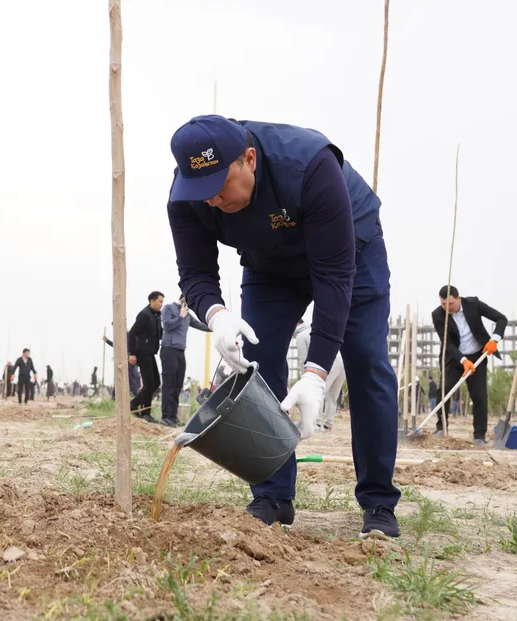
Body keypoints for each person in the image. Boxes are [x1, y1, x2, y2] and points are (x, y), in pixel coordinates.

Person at [167, 115, 400, 538]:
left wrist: (316, 372)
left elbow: (333, 277)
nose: (213, 201)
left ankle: (379, 501)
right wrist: (217, 315)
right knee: (257, 360)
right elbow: (195, 271)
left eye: (220, 187)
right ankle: (273, 496)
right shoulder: (187, 197)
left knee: (366, 361)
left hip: (351, 253)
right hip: (270, 264)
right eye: (202, 193)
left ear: (250, 159)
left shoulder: (309, 166)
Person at [431, 286, 507, 446]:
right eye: (443, 304)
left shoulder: (474, 304)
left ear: (458, 299)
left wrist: (494, 339)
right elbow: (448, 344)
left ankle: (479, 436)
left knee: (479, 396)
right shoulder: (438, 315)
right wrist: (463, 361)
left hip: (478, 355)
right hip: (454, 358)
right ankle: (441, 428)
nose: (446, 308)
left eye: (450, 304)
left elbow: (501, 319)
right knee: (444, 390)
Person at [160, 294, 209, 426]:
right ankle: (166, 416)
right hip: (169, 349)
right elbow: (167, 325)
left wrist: (216, 326)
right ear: (182, 297)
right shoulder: (168, 308)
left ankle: (173, 416)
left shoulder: (187, 313)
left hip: (181, 351)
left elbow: (200, 325)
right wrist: (180, 316)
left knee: (177, 385)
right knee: (169, 384)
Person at [294, 320, 345, 430]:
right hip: (341, 360)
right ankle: (328, 424)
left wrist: (306, 378)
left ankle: (315, 423)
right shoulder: (313, 330)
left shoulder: (300, 336)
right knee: (332, 395)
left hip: (329, 363)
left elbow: (303, 359)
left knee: (319, 391)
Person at [128, 291, 164, 423]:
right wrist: (132, 353)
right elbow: (132, 333)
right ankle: (145, 412)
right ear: (152, 301)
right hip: (142, 352)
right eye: (160, 301)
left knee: (156, 383)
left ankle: (133, 404)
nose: (161, 304)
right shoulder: (144, 315)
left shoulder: (156, 315)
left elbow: (158, 333)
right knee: (149, 384)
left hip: (150, 352)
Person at [103, 333, 141, 397]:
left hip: (129, 360)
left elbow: (125, 346)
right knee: (120, 377)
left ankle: (135, 394)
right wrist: (107, 341)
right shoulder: (124, 335)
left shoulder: (127, 334)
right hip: (126, 360)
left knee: (132, 378)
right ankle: (115, 396)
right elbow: (117, 346)